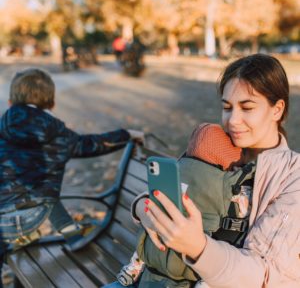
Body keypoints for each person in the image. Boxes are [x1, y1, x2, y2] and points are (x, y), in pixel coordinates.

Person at [107, 53, 300, 287]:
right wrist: (142, 208)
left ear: (277, 109)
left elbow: (264, 274)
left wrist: (198, 247)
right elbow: (183, 191)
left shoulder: (292, 175)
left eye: (247, 107)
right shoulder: (216, 147)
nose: (233, 121)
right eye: (227, 107)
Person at [0, 68, 144, 288]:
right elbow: (92, 144)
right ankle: (72, 235)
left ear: (10, 103)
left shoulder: (2, 127)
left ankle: (65, 236)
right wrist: (127, 134)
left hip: (3, 220)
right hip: (33, 216)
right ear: (51, 104)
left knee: (32, 194)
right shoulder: (57, 133)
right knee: (43, 192)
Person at [115, 123, 246, 288]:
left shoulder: (182, 167)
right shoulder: (228, 183)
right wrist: (140, 207)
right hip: (188, 267)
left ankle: (134, 266)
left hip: (153, 265)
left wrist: (141, 206)